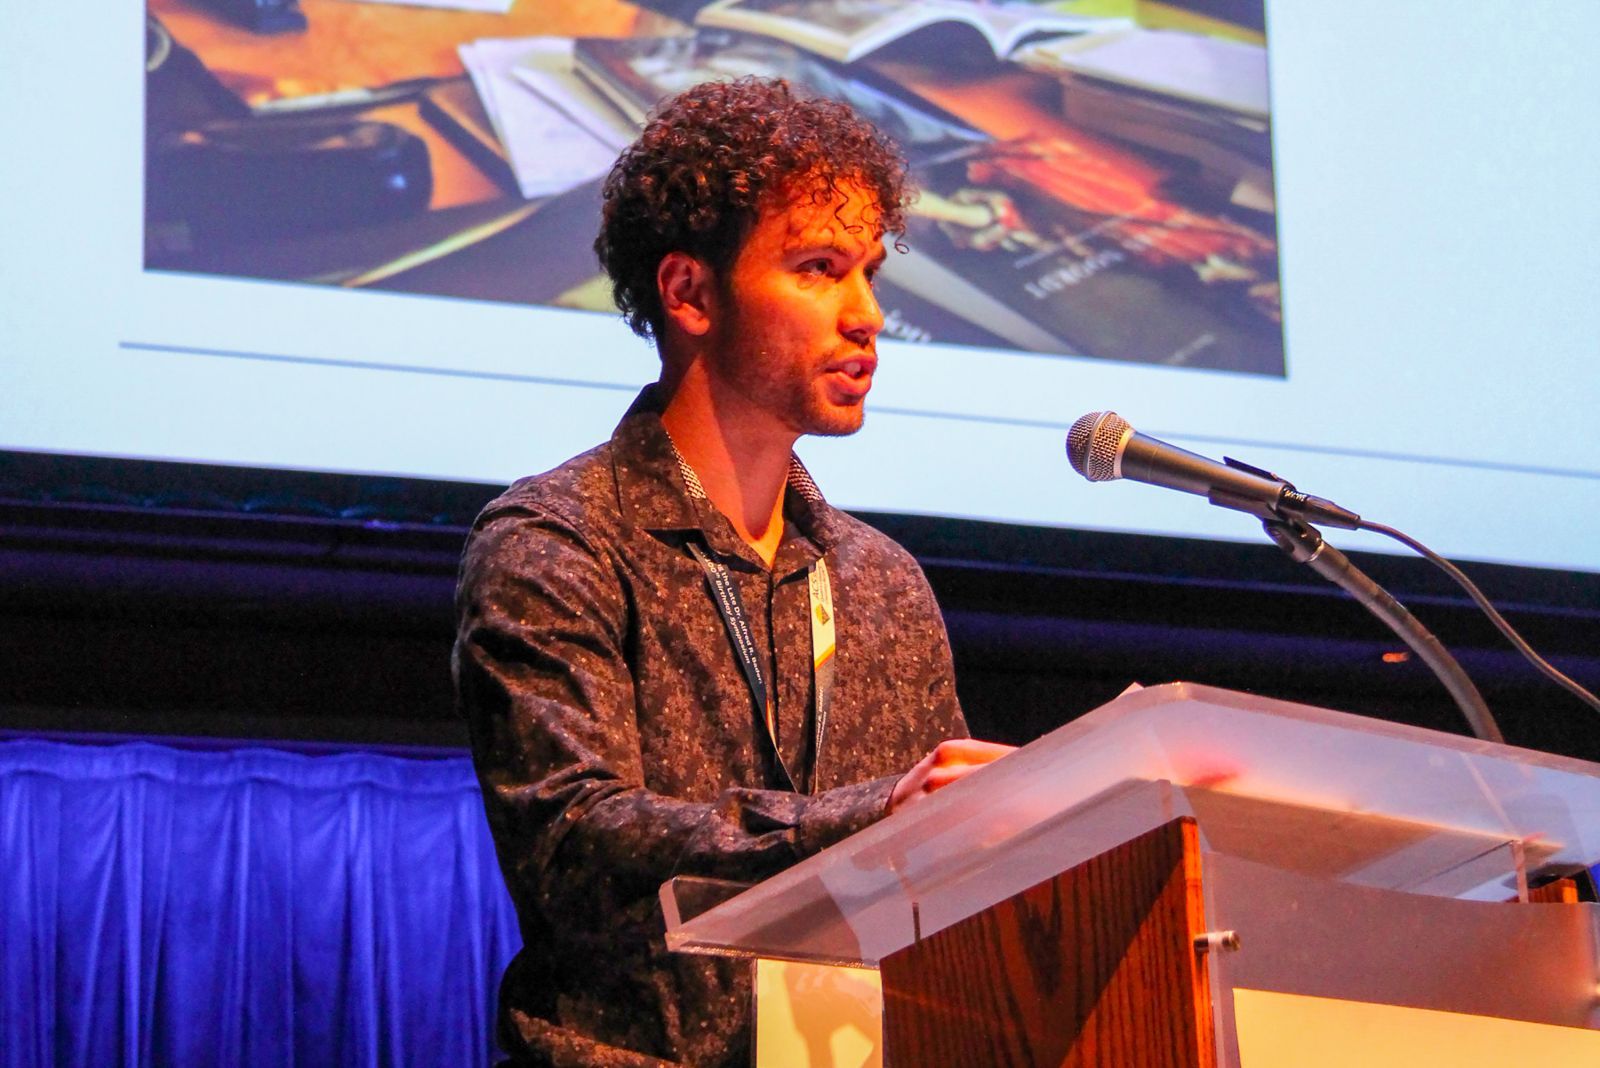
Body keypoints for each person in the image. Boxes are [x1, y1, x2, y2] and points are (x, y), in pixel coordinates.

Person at [454, 77, 1012, 1067]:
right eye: (818, 267)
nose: (867, 315)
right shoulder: (557, 542)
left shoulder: (883, 584)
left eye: (870, 272)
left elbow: (948, 882)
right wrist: (868, 814)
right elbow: (574, 849)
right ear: (689, 293)